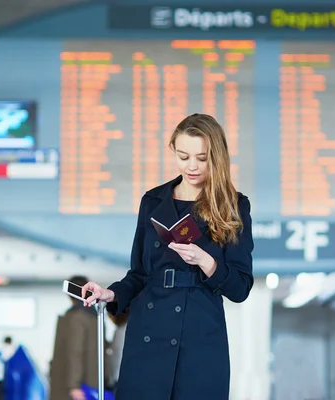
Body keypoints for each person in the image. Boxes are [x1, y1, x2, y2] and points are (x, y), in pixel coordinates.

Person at [81, 113, 254, 400]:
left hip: (200, 338)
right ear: (173, 149)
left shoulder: (234, 206)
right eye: (184, 156)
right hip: (148, 334)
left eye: (202, 158)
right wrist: (110, 294)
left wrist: (205, 261)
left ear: (217, 157)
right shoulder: (152, 201)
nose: (192, 166)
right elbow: (138, 273)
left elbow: (240, 288)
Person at [50, 275, 105, 400]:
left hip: (79, 388)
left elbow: (76, 351)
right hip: (93, 383)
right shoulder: (94, 316)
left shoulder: (77, 317)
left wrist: (74, 385)